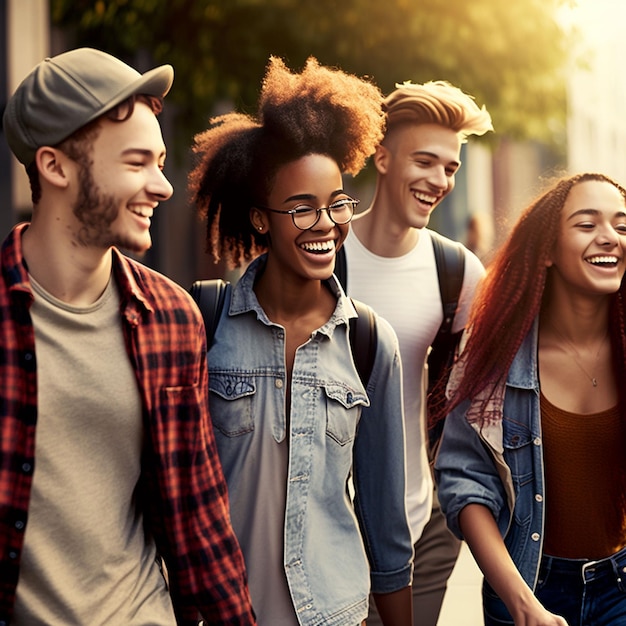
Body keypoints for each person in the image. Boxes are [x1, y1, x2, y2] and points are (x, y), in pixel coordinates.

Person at [0, 47, 256, 625]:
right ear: (55, 166)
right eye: (138, 162)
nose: (163, 186)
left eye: (160, 162)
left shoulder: (171, 317)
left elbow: (200, 526)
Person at [187, 56, 414, 626]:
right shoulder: (203, 320)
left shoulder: (368, 341)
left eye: (337, 203)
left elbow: (387, 529)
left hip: (335, 613)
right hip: (224, 614)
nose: (327, 224)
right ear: (261, 220)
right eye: (302, 208)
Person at [435, 172, 626, 626]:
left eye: (622, 226)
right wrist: (521, 603)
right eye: (587, 224)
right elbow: (465, 483)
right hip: (526, 589)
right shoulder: (496, 351)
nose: (610, 238)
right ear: (546, 251)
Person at [340, 79, 493, 625]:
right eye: (425, 162)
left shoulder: (456, 273)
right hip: (326, 528)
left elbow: (479, 399)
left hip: (421, 526)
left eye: (450, 168)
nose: (439, 180)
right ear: (382, 157)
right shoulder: (322, 257)